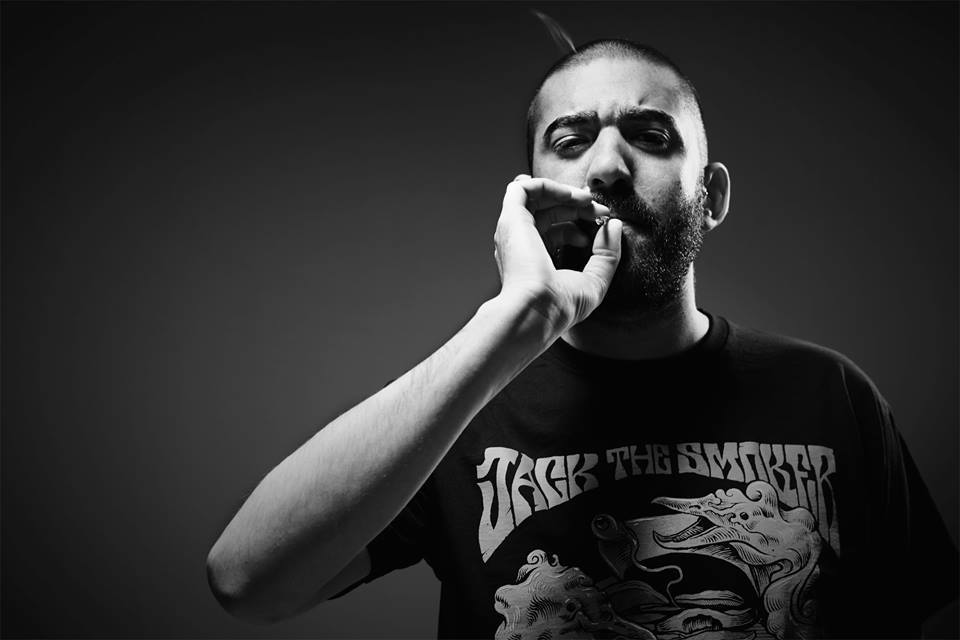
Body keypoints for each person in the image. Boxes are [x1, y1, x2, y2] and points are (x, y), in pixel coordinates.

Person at [206, 39, 958, 639]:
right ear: (530, 197)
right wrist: (515, 320)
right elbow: (245, 581)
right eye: (570, 141)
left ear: (712, 195)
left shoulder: (831, 394)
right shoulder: (462, 402)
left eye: (649, 136)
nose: (607, 168)